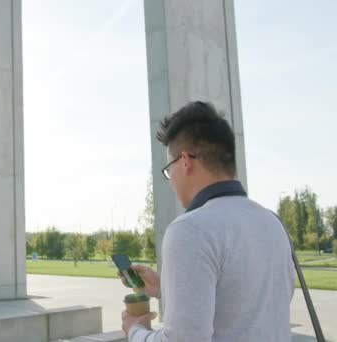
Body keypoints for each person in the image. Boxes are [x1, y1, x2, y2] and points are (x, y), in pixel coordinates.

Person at [121, 101, 295, 341]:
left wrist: (134, 331)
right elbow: (247, 309)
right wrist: (166, 288)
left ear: (185, 161)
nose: (171, 181)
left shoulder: (190, 229)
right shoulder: (273, 223)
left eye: (169, 170)